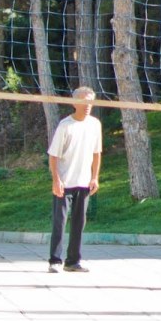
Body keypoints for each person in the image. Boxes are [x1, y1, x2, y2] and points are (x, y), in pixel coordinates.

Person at [47, 87, 102, 273]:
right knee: (60, 222)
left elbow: (97, 153)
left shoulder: (95, 124)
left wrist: (94, 177)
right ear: (74, 103)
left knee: (79, 222)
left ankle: (72, 262)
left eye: (90, 102)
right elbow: (53, 156)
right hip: (65, 182)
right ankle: (55, 260)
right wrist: (56, 180)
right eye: (84, 101)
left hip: (84, 182)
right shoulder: (65, 125)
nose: (87, 106)